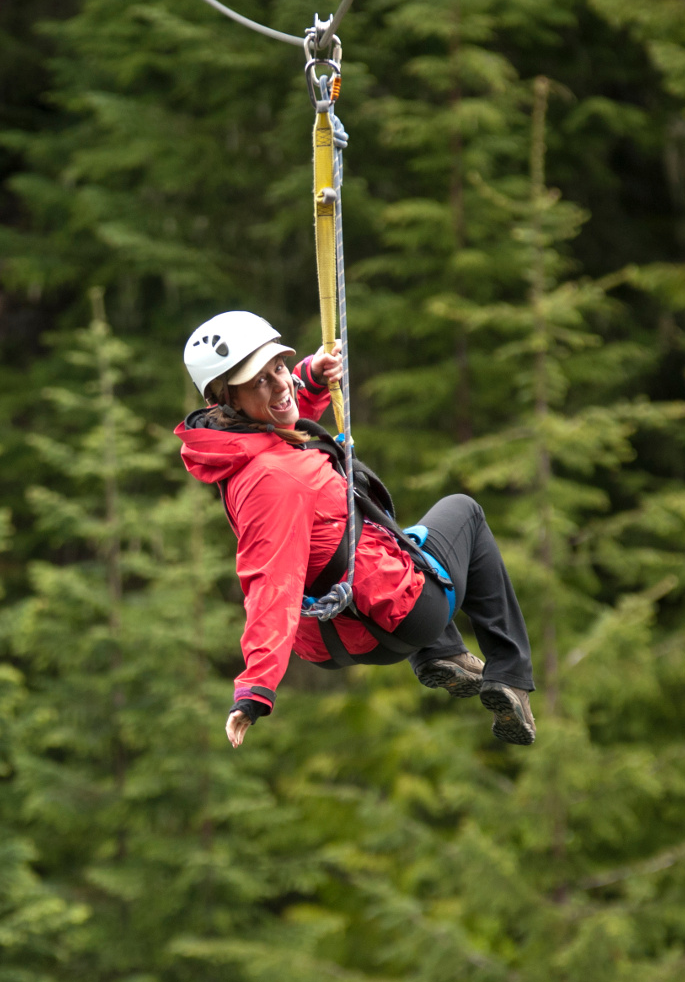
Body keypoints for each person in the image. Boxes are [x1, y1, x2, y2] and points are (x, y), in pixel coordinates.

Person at [175, 311, 536, 750]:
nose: (280, 384)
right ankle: (510, 675)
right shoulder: (273, 480)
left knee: (394, 538)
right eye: (260, 382)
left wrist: (309, 378)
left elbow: (281, 424)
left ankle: (443, 654)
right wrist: (254, 690)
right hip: (393, 617)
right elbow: (270, 582)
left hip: (340, 634)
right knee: (464, 512)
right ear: (228, 401)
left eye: (279, 368)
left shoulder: (238, 446)